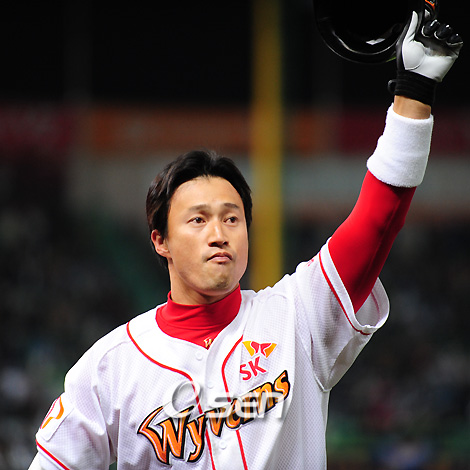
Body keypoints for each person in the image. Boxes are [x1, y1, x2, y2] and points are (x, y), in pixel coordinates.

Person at [29, 11, 462, 470]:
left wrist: (415, 91)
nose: (219, 234)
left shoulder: (298, 317)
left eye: (232, 218)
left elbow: (378, 219)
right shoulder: (109, 367)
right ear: (160, 241)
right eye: (198, 220)